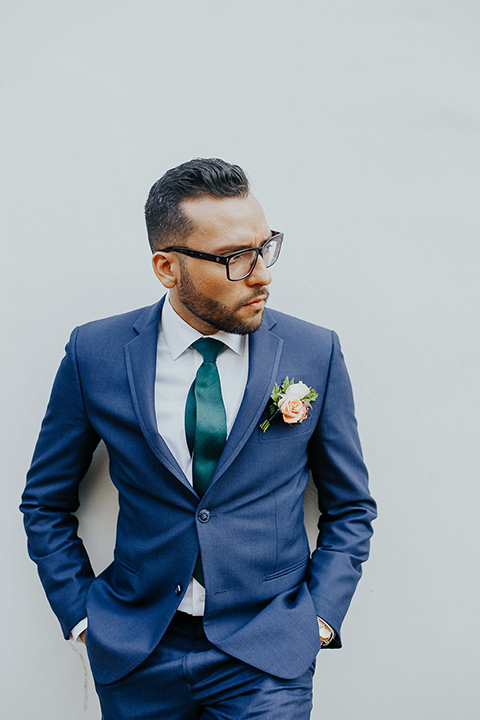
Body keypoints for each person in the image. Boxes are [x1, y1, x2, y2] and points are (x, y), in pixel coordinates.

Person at [21, 158, 376, 719]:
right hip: (137, 650)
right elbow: (44, 500)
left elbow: (351, 505)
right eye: (235, 257)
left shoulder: (314, 352)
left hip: (267, 654)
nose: (260, 274)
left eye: (266, 247)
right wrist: (83, 616)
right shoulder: (97, 353)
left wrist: (320, 618)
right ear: (167, 267)